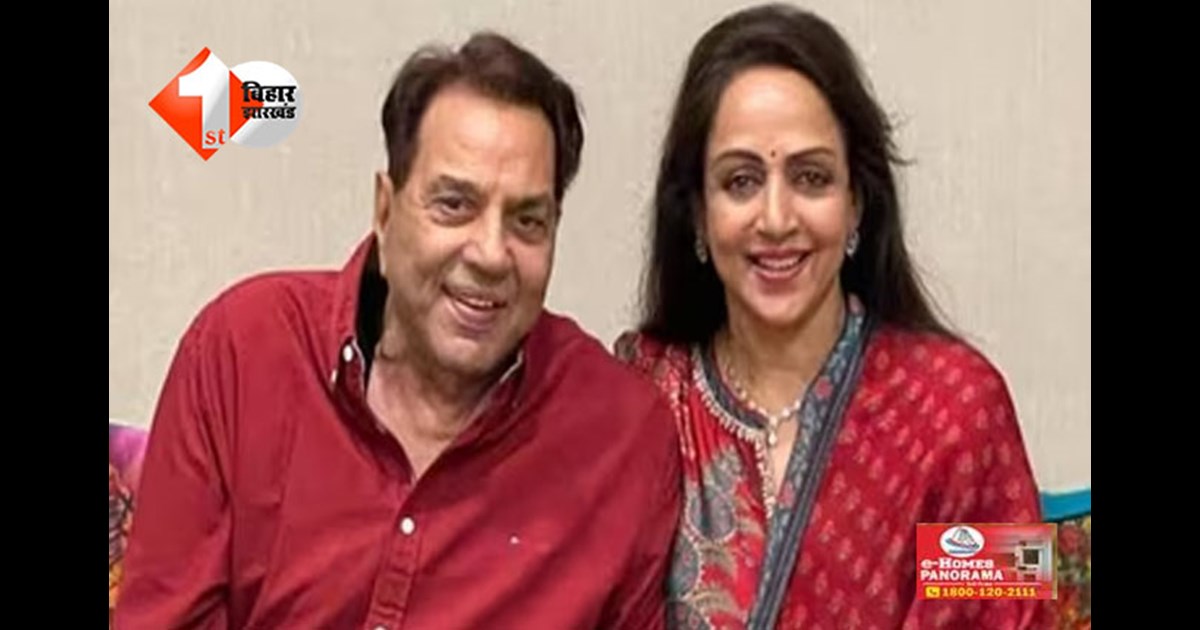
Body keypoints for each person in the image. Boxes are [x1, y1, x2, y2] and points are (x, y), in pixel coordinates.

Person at [116, 32, 681, 629]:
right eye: (455, 205)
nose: (492, 253)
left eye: (527, 220)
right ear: (385, 211)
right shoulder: (244, 353)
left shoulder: (621, 439)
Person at [615, 5, 1047, 628]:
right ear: (698, 217)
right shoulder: (643, 397)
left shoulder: (959, 409)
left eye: (811, 178)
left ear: (856, 205)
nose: (776, 219)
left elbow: (1015, 599)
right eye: (740, 181)